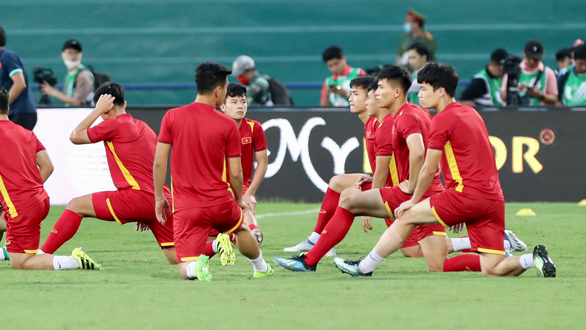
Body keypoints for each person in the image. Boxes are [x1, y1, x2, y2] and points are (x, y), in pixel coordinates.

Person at [334, 63, 556, 278]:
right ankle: (533, 259)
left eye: (423, 89)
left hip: (466, 195)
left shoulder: (441, 119)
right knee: (492, 268)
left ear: (440, 92)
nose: (419, 94)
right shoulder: (472, 113)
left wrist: (414, 199)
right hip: (493, 199)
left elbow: (429, 168)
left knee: (407, 216)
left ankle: (364, 267)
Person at [275, 67, 449, 273]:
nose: (373, 95)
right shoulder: (412, 112)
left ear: (396, 92)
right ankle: (491, 250)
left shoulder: (399, 119)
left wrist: (411, 185)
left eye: (379, 89)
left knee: (350, 201)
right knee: (435, 263)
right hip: (424, 190)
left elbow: (418, 152)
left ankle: (313, 258)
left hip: (412, 193)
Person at [0, 87, 100, 270]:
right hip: (40, 200)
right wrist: (30, 189)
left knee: (22, 263)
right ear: (7, 109)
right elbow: (48, 166)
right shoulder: (26, 132)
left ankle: (74, 261)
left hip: (21, 206)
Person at [152, 62, 273, 280]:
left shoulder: (172, 116)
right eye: (226, 89)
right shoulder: (227, 125)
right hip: (220, 201)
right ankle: (261, 268)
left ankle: (194, 269)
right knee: (242, 229)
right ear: (218, 91)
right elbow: (235, 174)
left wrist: (159, 197)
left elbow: (160, 163)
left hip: (187, 206)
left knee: (184, 263)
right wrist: (239, 199)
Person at [39, 82, 176, 263]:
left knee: (76, 205)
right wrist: (149, 204)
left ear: (105, 108)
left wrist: (96, 111)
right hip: (160, 197)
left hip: (136, 197)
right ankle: (218, 244)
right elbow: (154, 164)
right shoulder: (144, 127)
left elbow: (75, 136)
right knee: (175, 256)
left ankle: (41, 255)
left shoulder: (113, 125)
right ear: (124, 104)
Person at [281, 76, 392, 261]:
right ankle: (317, 239)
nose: (350, 98)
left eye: (356, 94)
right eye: (350, 94)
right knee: (337, 181)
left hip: (392, 187)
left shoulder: (379, 123)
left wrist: (371, 196)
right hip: (382, 180)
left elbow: (390, 167)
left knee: (411, 250)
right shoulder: (369, 123)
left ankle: (325, 244)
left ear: (370, 97)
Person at [218, 83, 268, 243]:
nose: (240, 106)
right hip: (216, 186)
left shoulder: (254, 128)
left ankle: (250, 233)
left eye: (243, 101)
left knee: (246, 207)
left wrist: (250, 193)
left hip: (241, 186)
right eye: (234, 102)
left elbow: (262, 163)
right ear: (222, 106)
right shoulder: (214, 129)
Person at [0, 24, 37, 129]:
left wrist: (1, 105)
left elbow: (20, 84)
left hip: (22, 113)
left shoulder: (8, 56)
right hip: (12, 114)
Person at [501, 39, 559, 106]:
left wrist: (539, 95)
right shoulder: (513, 71)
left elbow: (554, 99)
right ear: (524, 52)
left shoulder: (548, 73)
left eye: (535, 59)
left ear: (543, 54)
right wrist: (516, 91)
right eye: (529, 57)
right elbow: (503, 96)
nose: (532, 61)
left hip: (540, 114)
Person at [39, 39, 94, 107]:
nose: (73, 55)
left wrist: (54, 92)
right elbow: (68, 99)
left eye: (76, 52)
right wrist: (54, 90)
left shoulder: (83, 75)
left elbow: (79, 103)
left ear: (81, 54)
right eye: (70, 52)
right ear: (63, 54)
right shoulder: (70, 75)